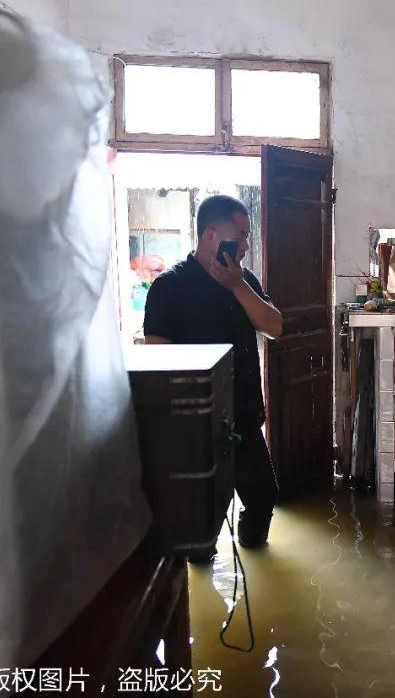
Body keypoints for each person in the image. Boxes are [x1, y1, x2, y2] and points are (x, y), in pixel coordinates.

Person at [143, 195, 283, 556]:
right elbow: (158, 360)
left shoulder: (243, 279)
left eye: (247, 236)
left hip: (246, 418)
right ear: (210, 236)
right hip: (197, 426)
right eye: (240, 236)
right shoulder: (169, 287)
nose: (246, 244)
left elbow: (275, 327)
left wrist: (238, 286)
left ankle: (255, 556)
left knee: (263, 498)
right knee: (200, 523)